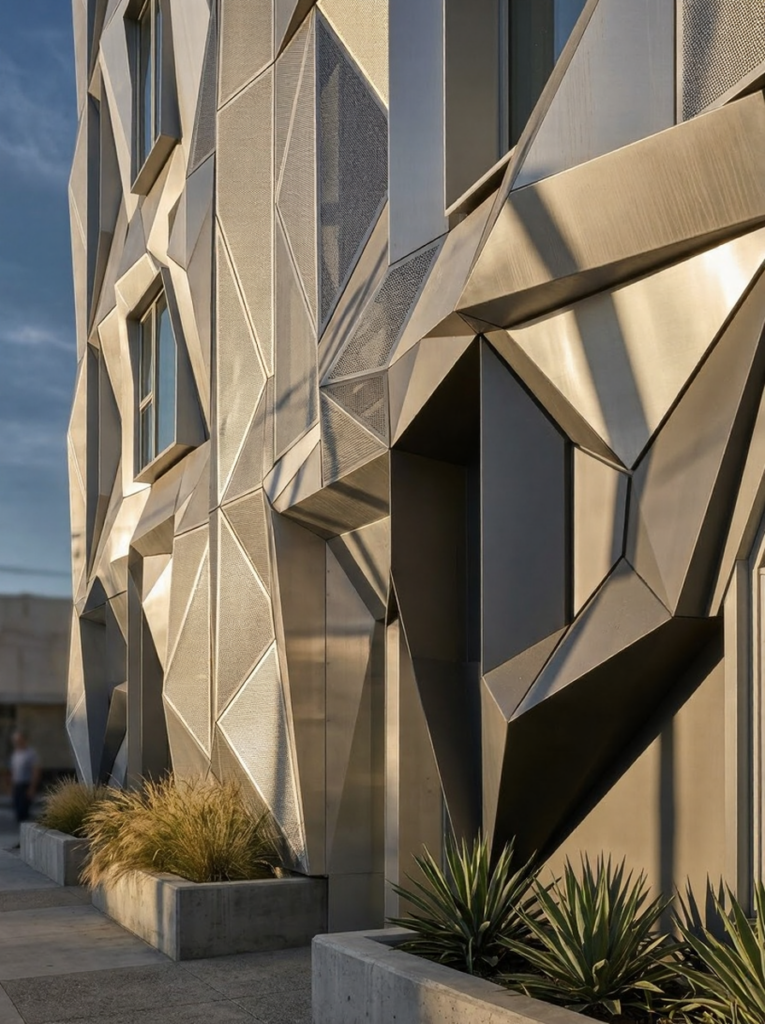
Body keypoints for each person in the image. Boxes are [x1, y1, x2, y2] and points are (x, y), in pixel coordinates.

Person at [10, 731, 41, 826]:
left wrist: (32, 788)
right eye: (15, 740)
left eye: (19, 740)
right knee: (17, 811)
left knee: (23, 811)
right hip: (17, 785)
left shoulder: (31, 753)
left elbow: (36, 771)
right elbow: (13, 770)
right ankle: (20, 832)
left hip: (26, 785)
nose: (17, 742)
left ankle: (24, 832)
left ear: (24, 740)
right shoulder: (16, 754)